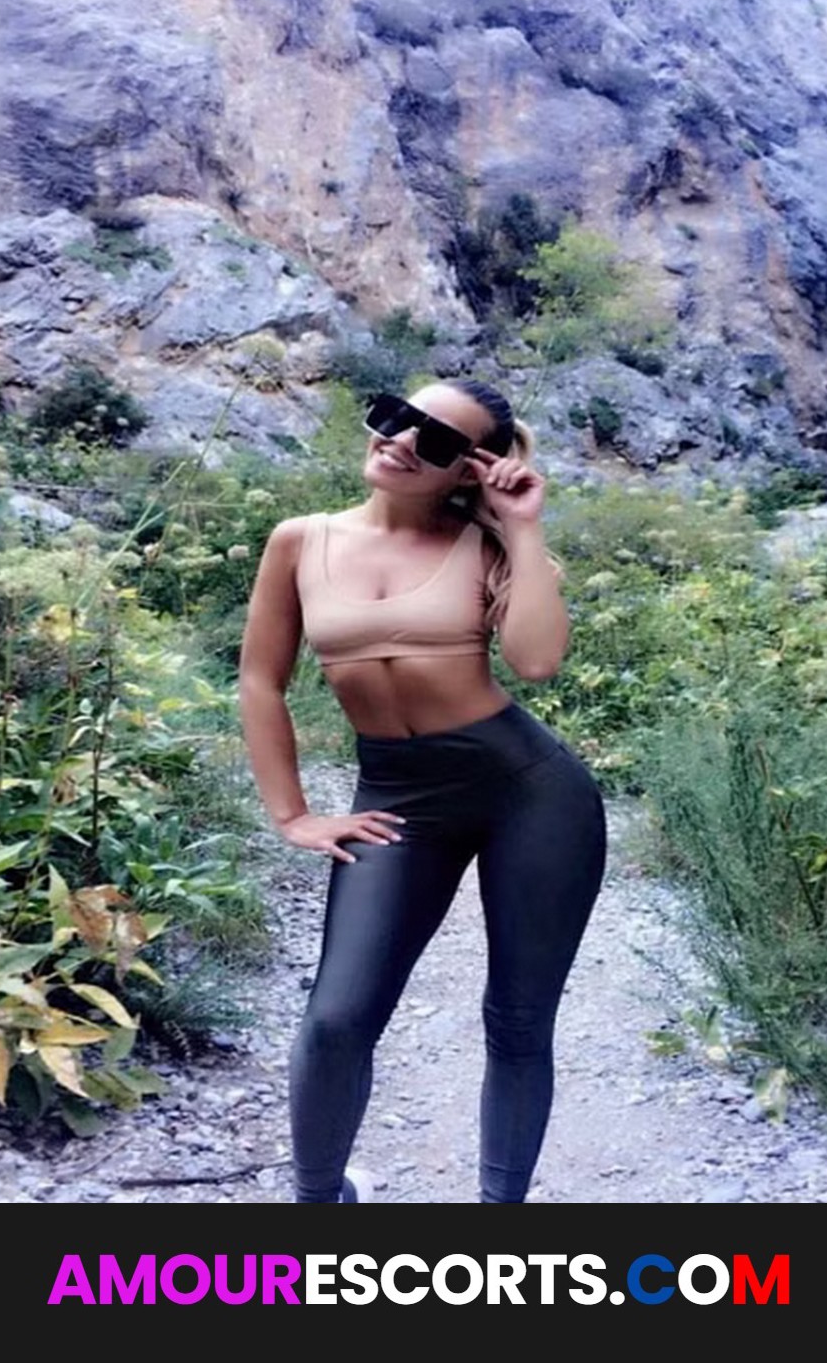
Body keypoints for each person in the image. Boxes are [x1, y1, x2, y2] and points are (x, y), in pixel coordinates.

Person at [238, 376, 608, 1203]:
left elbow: (537, 661)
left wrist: (522, 527)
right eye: (398, 417)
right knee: (336, 1019)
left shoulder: (483, 544)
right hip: (397, 797)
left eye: (437, 440)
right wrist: (291, 814)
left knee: (517, 1022)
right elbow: (260, 681)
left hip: (531, 795)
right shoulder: (300, 540)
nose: (403, 441)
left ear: (468, 468)